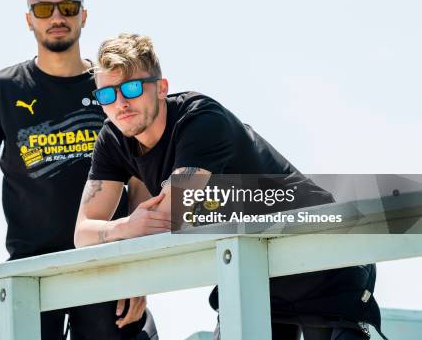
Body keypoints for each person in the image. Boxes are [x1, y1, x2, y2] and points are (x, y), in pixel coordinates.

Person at [74, 33, 387, 340]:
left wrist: (128, 228)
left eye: (131, 87)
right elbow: (82, 233)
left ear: (161, 88)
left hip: (322, 259)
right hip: (258, 276)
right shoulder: (113, 138)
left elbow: (175, 211)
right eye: (107, 95)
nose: (120, 103)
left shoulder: (200, 119)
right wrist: (128, 226)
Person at [0, 0, 157, 340]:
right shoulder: (3, 89)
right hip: (31, 266)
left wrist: (136, 267)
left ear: (84, 16)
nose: (57, 17)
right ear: (29, 19)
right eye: (44, 9)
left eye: (68, 6)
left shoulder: (110, 90)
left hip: (105, 258)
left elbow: (138, 176)